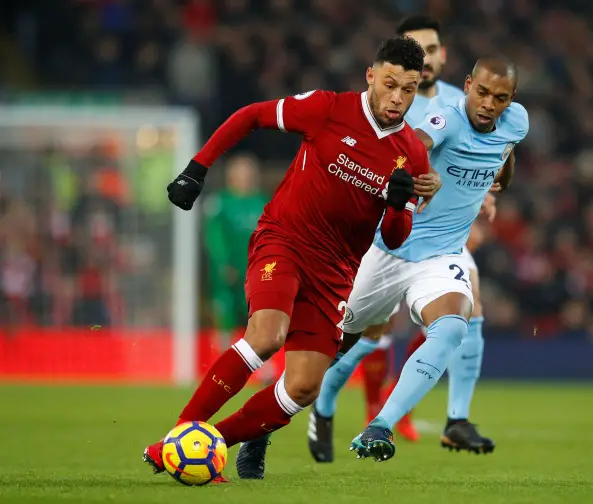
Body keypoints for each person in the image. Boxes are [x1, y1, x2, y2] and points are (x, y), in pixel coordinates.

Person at [142, 35, 441, 482]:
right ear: (371, 76)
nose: (398, 97)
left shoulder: (412, 155)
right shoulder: (327, 108)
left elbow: (397, 239)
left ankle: (209, 444)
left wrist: (399, 205)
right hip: (284, 240)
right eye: (391, 83)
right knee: (266, 335)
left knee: (303, 386)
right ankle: (177, 439)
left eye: (409, 88)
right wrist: (197, 167)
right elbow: (252, 115)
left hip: (336, 272)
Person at [307, 15, 499, 463]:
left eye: (431, 50)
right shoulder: (390, 102)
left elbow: (487, 153)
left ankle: (454, 419)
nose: (425, 59)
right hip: (383, 237)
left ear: (443, 55)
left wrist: (487, 191)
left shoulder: (466, 102)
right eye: (417, 50)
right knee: (364, 335)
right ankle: (322, 400)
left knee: (467, 312)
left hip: (443, 243)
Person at [345, 55, 527, 462]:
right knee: (336, 342)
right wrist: (423, 171)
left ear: (511, 100)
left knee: (452, 328)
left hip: (442, 256)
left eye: (499, 98)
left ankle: (380, 426)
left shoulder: (517, 121)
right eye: (481, 93)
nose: (487, 104)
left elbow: (505, 149)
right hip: (389, 250)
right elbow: (415, 145)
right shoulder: (446, 120)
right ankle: (275, 414)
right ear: (466, 86)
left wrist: (499, 176)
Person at [203, 154, 268, 351]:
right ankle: (222, 362)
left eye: (248, 173)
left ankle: (264, 368)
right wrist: (223, 263)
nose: (245, 178)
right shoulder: (219, 204)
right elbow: (214, 237)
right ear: (231, 176)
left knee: (260, 317)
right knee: (225, 314)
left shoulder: (263, 202)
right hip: (228, 271)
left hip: (257, 272)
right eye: (240, 173)